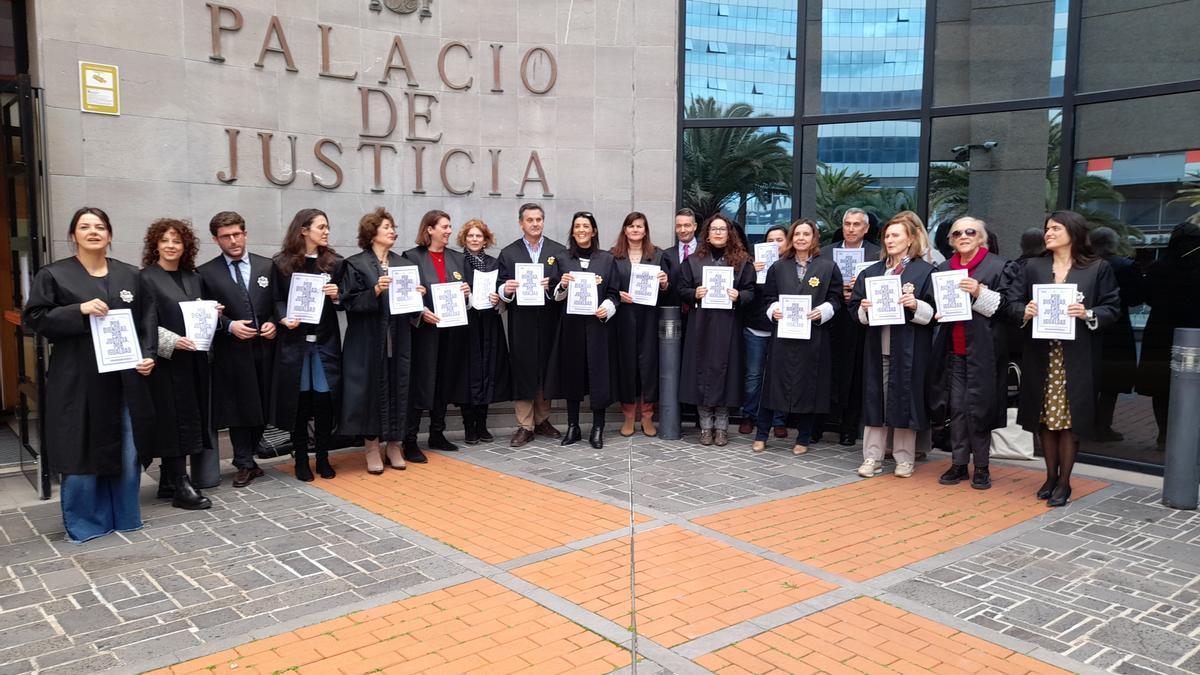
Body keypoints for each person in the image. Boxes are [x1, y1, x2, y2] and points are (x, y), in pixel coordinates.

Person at [23, 207, 156, 543]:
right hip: (78, 379)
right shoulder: (54, 275)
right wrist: (77, 310)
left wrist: (149, 355)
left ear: (109, 235)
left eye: (100, 227)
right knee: (79, 447)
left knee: (126, 449)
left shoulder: (130, 275)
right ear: (74, 235)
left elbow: (147, 320)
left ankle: (126, 517)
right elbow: (35, 318)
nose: (93, 232)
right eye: (85, 227)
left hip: (123, 378)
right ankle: (85, 524)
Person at [1010, 210, 1121, 507]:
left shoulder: (1097, 268)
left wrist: (1088, 314)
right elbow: (1013, 303)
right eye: (1047, 228)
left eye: (1055, 228)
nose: (1048, 233)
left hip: (1077, 356)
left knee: (1069, 421)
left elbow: (1113, 307)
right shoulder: (1033, 267)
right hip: (1042, 354)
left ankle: (1065, 482)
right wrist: (1025, 311)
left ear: (1073, 231)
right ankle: (1049, 475)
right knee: (1045, 419)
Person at [850, 213, 936, 479]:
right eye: (887, 235)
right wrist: (864, 309)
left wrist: (915, 305)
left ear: (910, 239)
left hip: (910, 348)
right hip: (877, 347)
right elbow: (854, 308)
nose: (890, 240)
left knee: (905, 400)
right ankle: (872, 457)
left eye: (896, 235)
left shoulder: (925, 272)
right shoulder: (872, 272)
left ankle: (904, 459)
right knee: (876, 399)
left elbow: (935, 312)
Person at [928, 217, 1012, 490]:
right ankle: (959, 463)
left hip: (985, 352)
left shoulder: (998, 267)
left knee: (980, 409)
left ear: (981, 237)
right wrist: (936, 313)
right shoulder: (942, 270)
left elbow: (1009, 310)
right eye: (957, 233)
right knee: (957, 409)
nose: (963, 236)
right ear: (951, 241)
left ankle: (983, 466)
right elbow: (932, 308)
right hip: (952, 351)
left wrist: (978, 293)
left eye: (970, 231)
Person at [196, 211, 277, 489]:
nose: (233, 241)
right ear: (216, 240)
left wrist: (273, 322)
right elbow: (203, 313)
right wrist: (228, 325)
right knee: (239, 408)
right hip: (232, 352)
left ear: (245, 234)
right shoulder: (205, 273)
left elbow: (278, 301)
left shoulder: (267, 266)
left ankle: (250, 458)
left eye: (237, 234)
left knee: (263, 405)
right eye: (225, 237)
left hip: (266, 349)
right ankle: (244, 462)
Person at [340, 208, 422, 473]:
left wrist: (418, 296)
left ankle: (395, 445)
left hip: (399, 339)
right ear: (372, 231)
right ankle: (372, 447)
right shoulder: (356, 264)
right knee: (370, 391)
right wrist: (374, 291)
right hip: (369, 340)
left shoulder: (404, 264)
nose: (392, 231)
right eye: (386, 226)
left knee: (399, 387)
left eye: (393, 227)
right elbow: (348, 302)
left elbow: (411, 309)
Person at [138, 218, 213, 509]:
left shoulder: (193, 278)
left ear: (186, 247)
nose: (171, 246)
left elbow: (197, 315)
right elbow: (141, 321)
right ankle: (181, 484)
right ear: (155, 244)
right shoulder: (145, 278)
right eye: (165, 240)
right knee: (173, 420)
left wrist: (211, 312)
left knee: (190, 417)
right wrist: (171, 341)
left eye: (177, 241)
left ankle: (170, 481)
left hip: (193, 362)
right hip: (165, 362)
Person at [270, 208, 344, 482]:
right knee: (299, 403)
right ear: (303, 230)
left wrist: (337, 296)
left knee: (325, 401)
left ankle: (323, 456)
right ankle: (301, 458)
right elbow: (276, 299)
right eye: (321, 227)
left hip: (324, 342)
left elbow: (345, 300)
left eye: (327, 227)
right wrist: (283, 317)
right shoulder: (281, 263)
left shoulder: (335, 263)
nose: (326, 232)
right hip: (295, 343)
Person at [757, 219, 843, 454]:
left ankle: (803, 438)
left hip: (813, 336)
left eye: (806, 234)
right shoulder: (778, 267)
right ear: (791, 238)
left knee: (809, 387)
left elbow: (837, 299)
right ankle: (762, 434)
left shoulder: (827, 267)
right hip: (783, 336)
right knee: (773, 384)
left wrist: (823, 311)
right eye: (797, 234)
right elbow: (767, 297)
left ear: (814, 238)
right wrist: (773, 310)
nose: (801, 238)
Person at [678, 214, 757, 446]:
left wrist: (739, 296)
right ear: (707, 233)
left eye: (723, 229)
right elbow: (680, 288)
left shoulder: (742, 262)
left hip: (728, 325)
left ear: (729, 233)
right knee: (701, 372)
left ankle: (721, 427)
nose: (718, 233)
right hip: (700, 324)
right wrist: (694, 293)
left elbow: (752, 291)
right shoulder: (693, 261)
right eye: (714, 229)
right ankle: (706, 427)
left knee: (727, 373)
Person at [545, 212, 620, 448]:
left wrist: (607, 308)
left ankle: (598, 428)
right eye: (577, 226)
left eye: (586, 226)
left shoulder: (607, 260)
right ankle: (573, 426)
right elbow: (553, 295)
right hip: (571, 327)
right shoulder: (562, 258)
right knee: (572, 375)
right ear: (572, 231)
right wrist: (563, 285)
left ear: (594, 231)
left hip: (598, 328)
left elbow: (614, 293)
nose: (581, 230)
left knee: (598, 376)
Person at [403, 210, 471, 461]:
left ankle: (437, 433)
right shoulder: (411, 257)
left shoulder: (457, 258)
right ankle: (410, 440)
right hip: (424, 334)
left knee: (445, 381)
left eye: (450, 226)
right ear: (429, 229)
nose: (449, 231)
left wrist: (466, 293)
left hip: (452, 331)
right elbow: (405, 295)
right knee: (421, 383)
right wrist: (421, 311)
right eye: (444, 226)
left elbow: (469, 299)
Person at [497, 203, 567, 447]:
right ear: (521, 223)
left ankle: (542, 419)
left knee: (546, 368)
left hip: (549, 318)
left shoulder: (558, 251)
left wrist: (556, 285)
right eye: (530, 220)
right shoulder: (509, 252)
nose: (535, 224)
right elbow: (499, 287)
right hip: (522, 321)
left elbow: (564, 285)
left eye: (539, 219)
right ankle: (525, 425)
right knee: (523, 369)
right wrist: (506, 290)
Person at [1136, 221, 1200, 448]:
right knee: (1193, 384)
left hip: (1161, 330)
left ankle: (1164, 434)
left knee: (1160, 386)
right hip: (1193, 330)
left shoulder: (1158, 267)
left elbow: (1148, 298)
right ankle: (1187, 436)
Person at [825, 208, 882, 446]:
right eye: (847, 224)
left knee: (856, 374)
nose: (851, 229)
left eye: (856, 224)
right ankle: (822, 423)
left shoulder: (877, 253)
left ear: (866, 229)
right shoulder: (827, 252)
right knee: (828, 371)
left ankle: (849, 427)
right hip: (830, 319)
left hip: (860, 322)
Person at [611, 211, 670, 437]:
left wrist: (664, 284)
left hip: (649, 318)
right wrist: (618, 295)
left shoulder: (658, 255)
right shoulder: (613, 256)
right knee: (626, 367)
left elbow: (669, 291)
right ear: (625, 229)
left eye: (639, 226)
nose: (635, 230)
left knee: (649, 368)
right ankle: (628, 416)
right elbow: (607, 287)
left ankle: (647, 416)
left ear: (645, 230)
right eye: (631, 226)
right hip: (623, 319)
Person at [458, 219, 512, 445]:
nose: (474, 239)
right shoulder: (458, 262)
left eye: (478, 236)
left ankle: (482, 424)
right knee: (468, 372)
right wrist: (464, 294)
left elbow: (503, 294)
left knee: (488, 370)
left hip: (489, 322)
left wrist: (499, 298)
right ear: (464, 238)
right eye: (470, 235)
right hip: (467, 324)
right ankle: (469, 426)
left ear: (485, 239)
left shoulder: (494, 263)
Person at [1089, 227, 1144, 441]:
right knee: (1112, 381)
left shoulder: (1084, 266)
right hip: (1117, 328)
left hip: (1088, 325)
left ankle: (1088, 425)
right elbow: (1137, 297)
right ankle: (1103, 426)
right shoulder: (1125, 266)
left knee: (1089, 378)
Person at [741, 224, 788, 438]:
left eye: (779, 239)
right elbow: (746, 295)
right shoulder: (753, 264)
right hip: (755, 328)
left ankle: (779, 420)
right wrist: (753, 273)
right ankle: (748, 416)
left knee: (779, 376)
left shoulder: (792, 267)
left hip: (783, 330)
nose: (775, 244)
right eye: (770, 240)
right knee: (753, 375)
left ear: (787, 243)